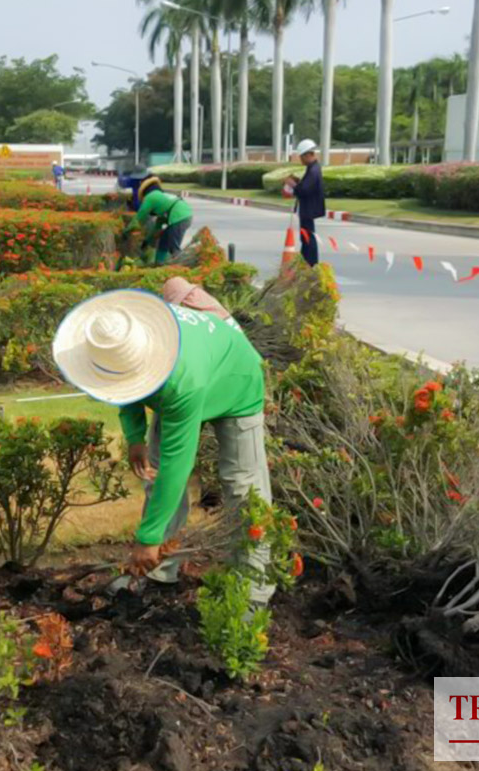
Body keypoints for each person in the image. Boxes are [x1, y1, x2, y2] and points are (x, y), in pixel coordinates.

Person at [52, 288, 273, 602]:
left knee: (243, 487)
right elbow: (119, 384)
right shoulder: (130, 339)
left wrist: (148, 537)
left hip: (236, 380)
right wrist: (134, 439)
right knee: (154, 476)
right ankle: (158, 570)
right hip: (189, 370)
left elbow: (177, 466)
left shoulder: (180, 380)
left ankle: (253, 587)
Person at [131, 177, 193, 264]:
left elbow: (139, 216)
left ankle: (181, 267)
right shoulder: (161, 203)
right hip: (184, 215)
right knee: (164, 240)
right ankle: (159, 264)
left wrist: (127, 230)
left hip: (179, 216)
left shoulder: (150, 197)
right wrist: (146, 241)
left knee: (174, 246)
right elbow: (155, 230)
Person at [284, 139, 326, 267]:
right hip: (307, 208)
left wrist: (292, 184)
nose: (301, 160)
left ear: (309, 155)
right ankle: (305, 261)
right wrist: (297, 182)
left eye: (301, 157)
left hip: (309, 208)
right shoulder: (311, 168)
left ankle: (310, 263)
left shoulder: (313, 170)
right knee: (305, 236)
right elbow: (305, 186)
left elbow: (304, 190)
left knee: (308, 236)